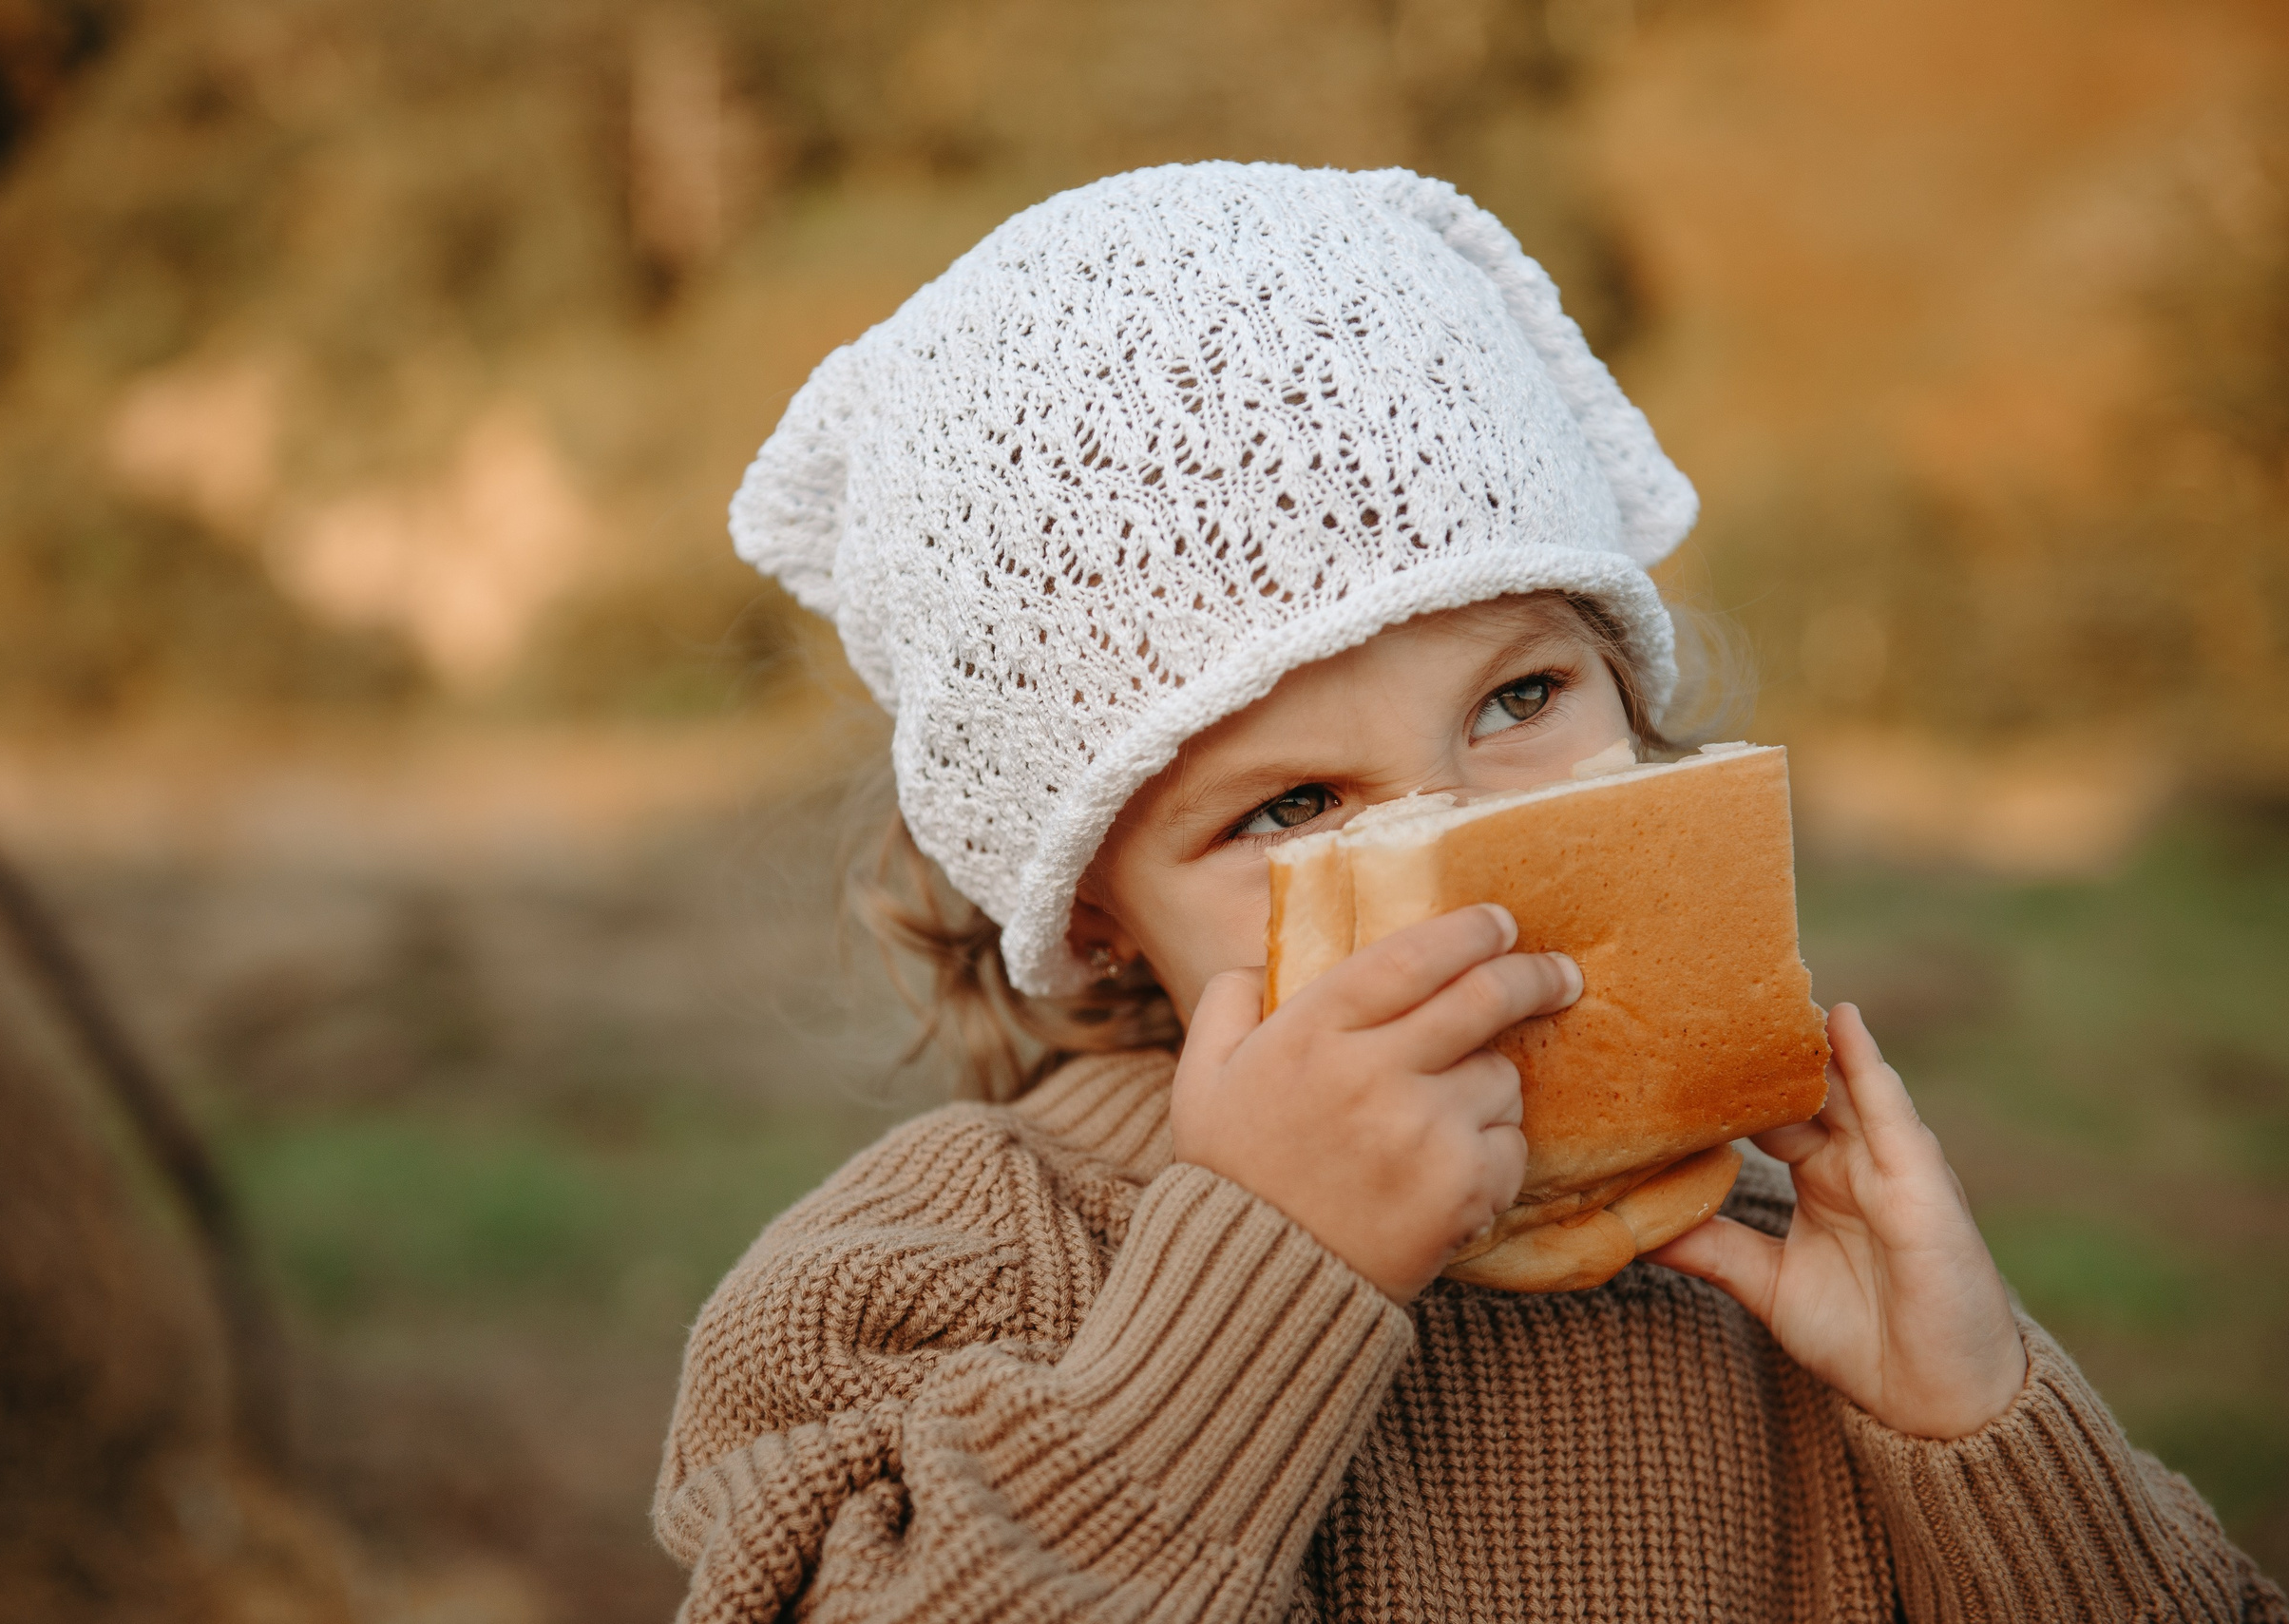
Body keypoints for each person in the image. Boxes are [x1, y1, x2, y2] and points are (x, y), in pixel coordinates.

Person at [653, 162, 2284, 1622]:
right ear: (1090, 909)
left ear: (1627, 686)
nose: (1461, 860)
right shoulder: (924, 1266)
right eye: (1294, 804)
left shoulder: (1777, 1256)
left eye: (1519, 700)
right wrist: (1264, 1279)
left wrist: (1974, 1427)